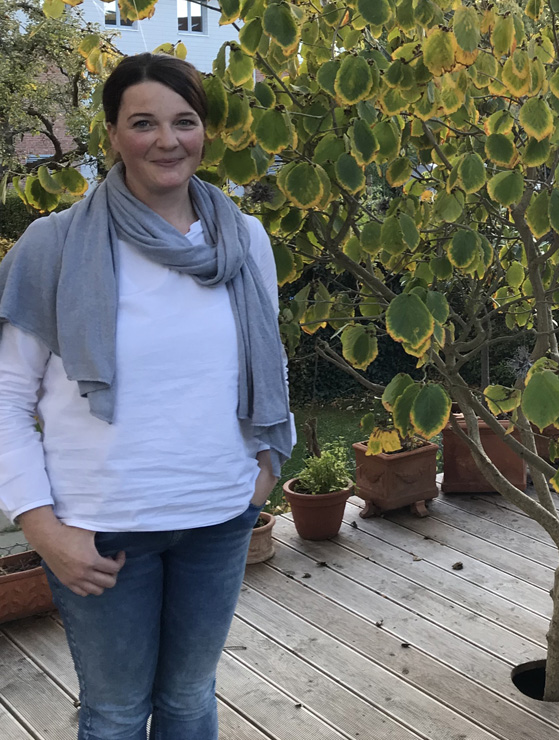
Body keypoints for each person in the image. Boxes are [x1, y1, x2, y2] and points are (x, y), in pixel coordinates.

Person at [0, 53, 293, 740]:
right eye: (144, 122)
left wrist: (265, 468)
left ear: (204, 131)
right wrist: (43, 530)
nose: (168, 140)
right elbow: (7, 397)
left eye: (184, 121)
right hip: (101, 533)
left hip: (219, 518)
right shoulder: (55, 245)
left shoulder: (244, 239)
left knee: (191, 697)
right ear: (111, 135)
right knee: (117, 711)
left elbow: (267, 358)